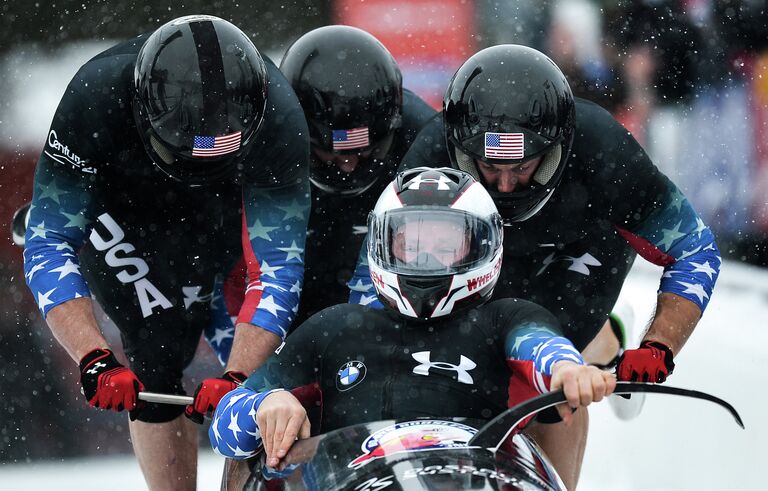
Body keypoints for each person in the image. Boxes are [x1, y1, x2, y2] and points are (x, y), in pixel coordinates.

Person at [346, 44, 721, 479]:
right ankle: (606, 338)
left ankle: (592, 347)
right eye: (489, 165)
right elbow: (374, 273)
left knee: (553, 379)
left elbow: (694, 248)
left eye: (522, 166)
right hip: (484, 249)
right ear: (461, 148)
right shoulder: (434, 152)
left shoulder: (605, 150)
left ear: (557, 148)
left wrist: (660, 346)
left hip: (584, 248)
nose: (505, 184)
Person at [22, 15, 310, 490]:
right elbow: (49, 240)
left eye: (216, 152)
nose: (200, 167)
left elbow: (277, 267)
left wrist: (238, 377)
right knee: (156, 348)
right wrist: (94, 357)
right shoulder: (95, 97)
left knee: (273, 377)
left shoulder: (279, 119)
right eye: (189, 152)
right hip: (124, 210)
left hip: (227, 215)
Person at [208, 167, 616, 491]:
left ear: (481, 245)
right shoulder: (335, 327)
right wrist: (265, 405)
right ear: (383, 243)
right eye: (412, 244)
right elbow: (225, 428)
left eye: (446, 245)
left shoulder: (504, 320)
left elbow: (540, 348)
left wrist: (567, 370)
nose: (427, 259)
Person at [201, 25, 436, 360]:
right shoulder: (261, 140)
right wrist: (249, 368)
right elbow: (227, 272)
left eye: (364, 152)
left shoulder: (423, 138)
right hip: (287, 299)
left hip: (388, 300)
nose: (348, 167)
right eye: (332, 154)